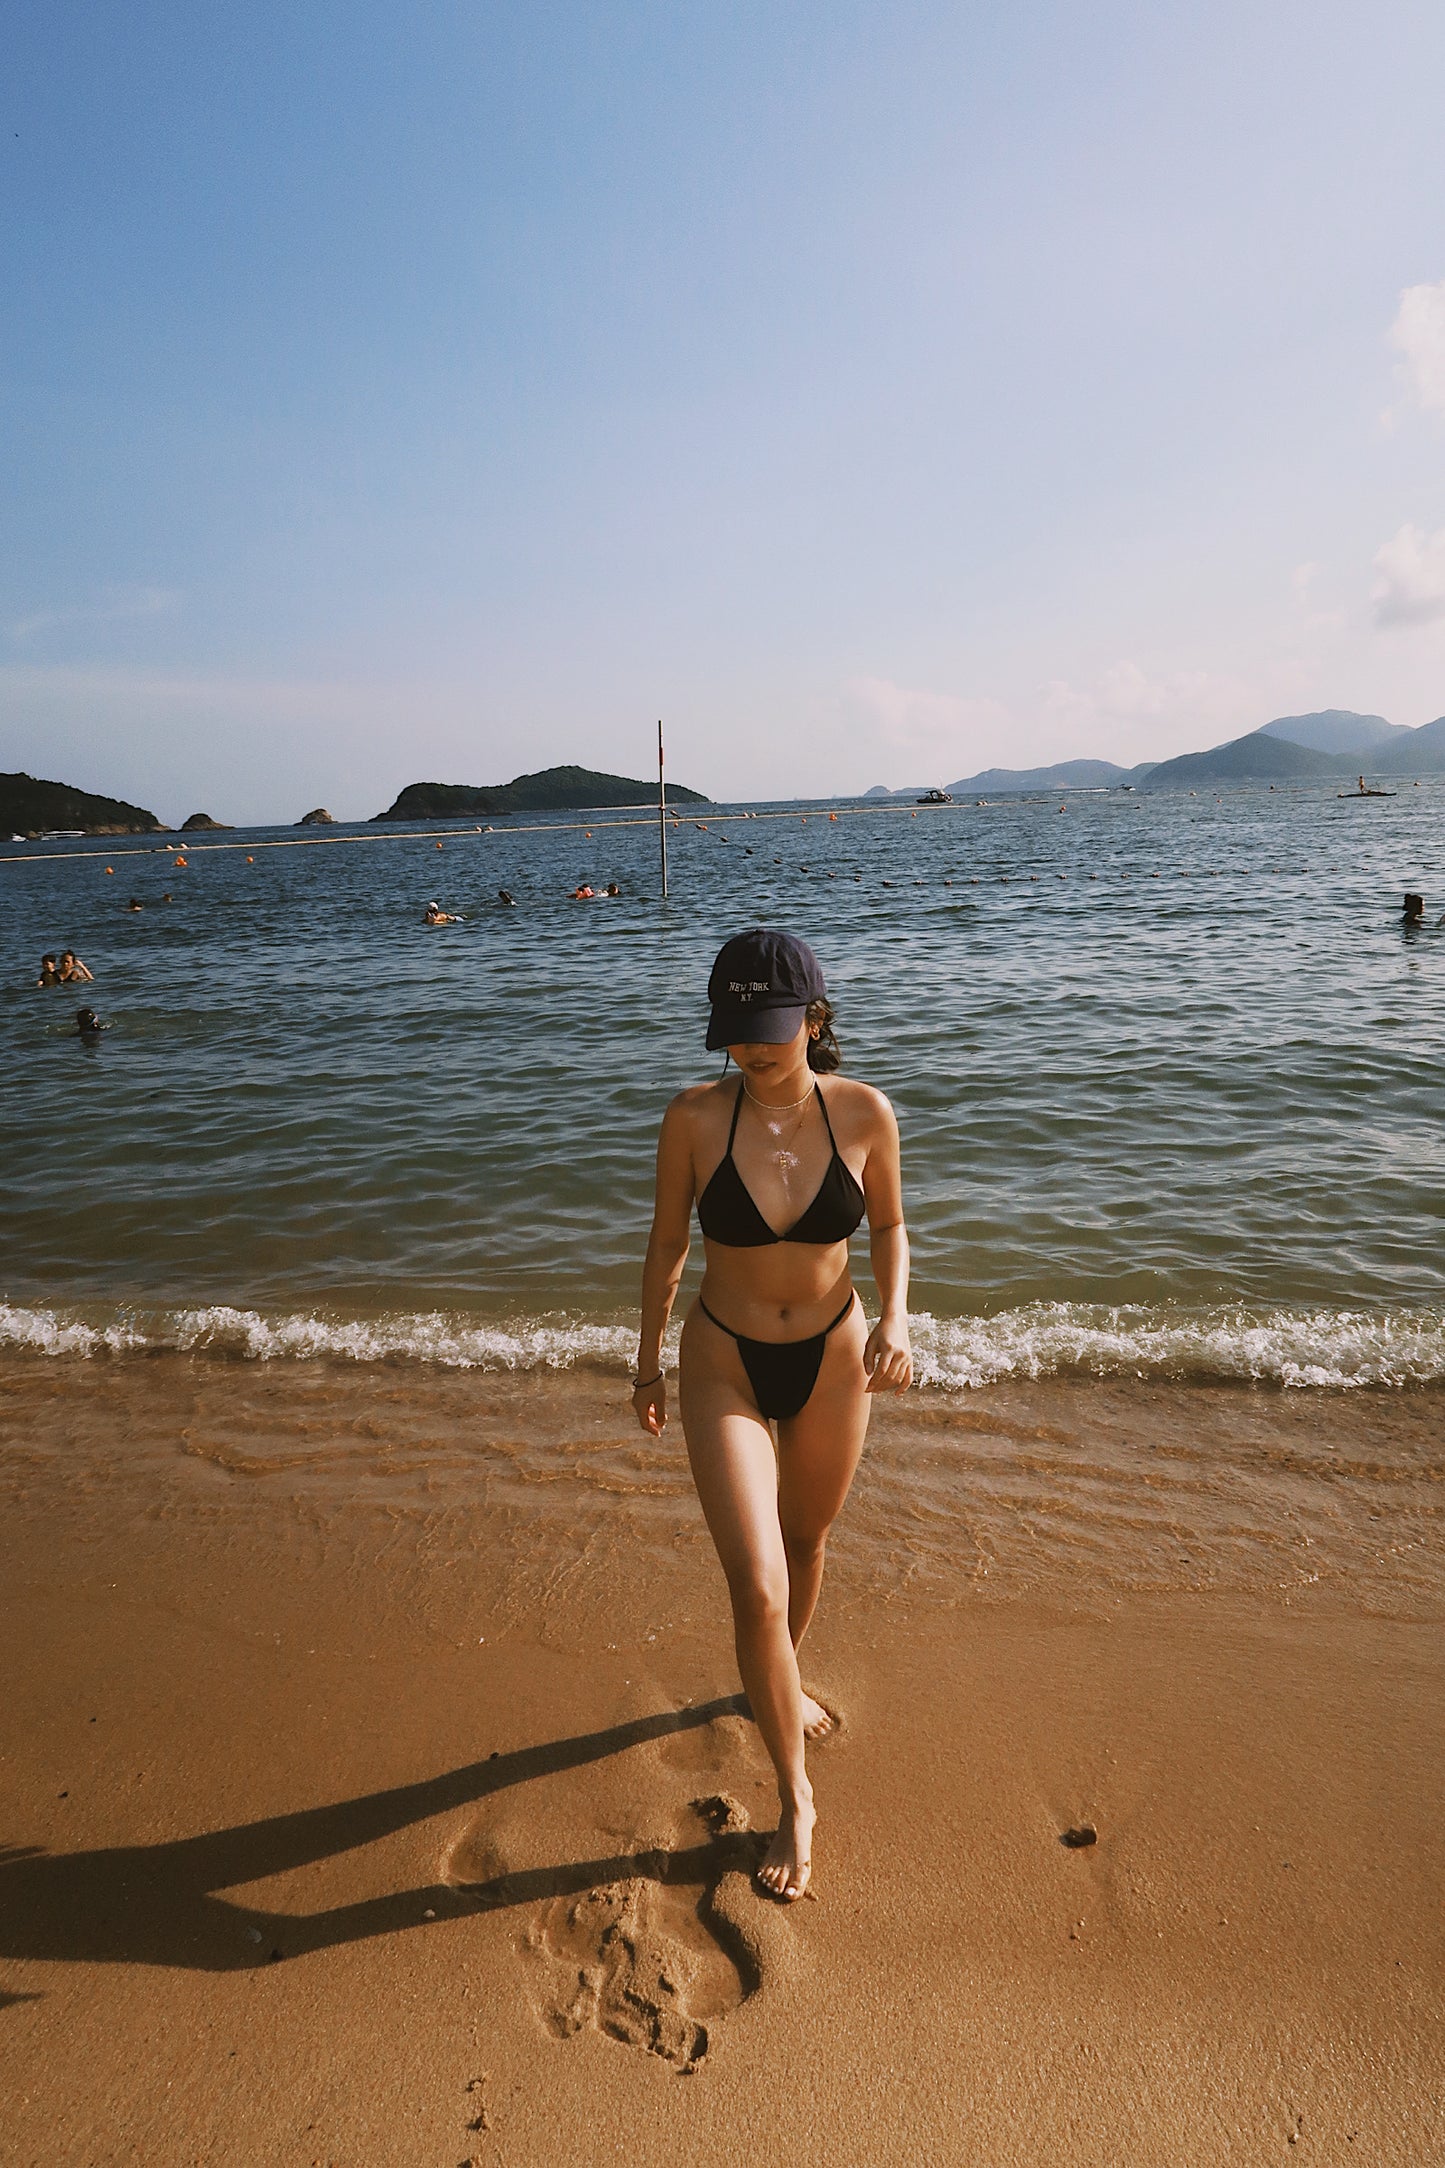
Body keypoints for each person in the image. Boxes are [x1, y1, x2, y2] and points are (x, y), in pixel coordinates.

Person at [631, 929, 912, 1903]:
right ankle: (795, 1795)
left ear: (814, 1019)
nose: (750, 1051)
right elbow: (667, 1242)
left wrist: (898, 1322)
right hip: (723, 1363)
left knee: (806, 1538)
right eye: (735, 1034)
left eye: (770, 1031)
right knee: (754, 1579)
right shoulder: (694, 1118)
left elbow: (888, 1228)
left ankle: (776, 1683)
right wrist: (643, 1365)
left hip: (834, 1355)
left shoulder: (865, 1112)